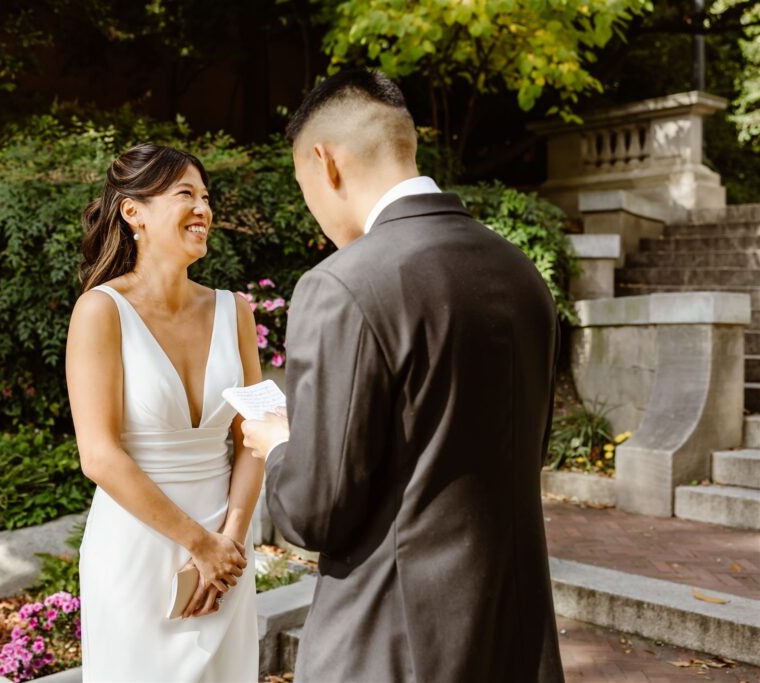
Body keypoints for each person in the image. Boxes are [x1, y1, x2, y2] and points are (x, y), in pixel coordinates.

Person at [242, 69, 565, 682]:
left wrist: (278, 442)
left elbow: (315, 512)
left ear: (325, 162)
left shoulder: (343, 284)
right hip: (514, 636)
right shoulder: (520, 272)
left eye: (302, 183)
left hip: (393, 643)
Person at [65, 143, 264, 682]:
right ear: (134, 212)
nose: (203, 208)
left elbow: (259, 430)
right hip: (139, 551)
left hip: (228, 551)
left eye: (206, 196)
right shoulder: (100, 311)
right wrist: (198, 544)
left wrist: (231, 541)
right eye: (185, 195)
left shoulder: (235, 311)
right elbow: (99, 456)